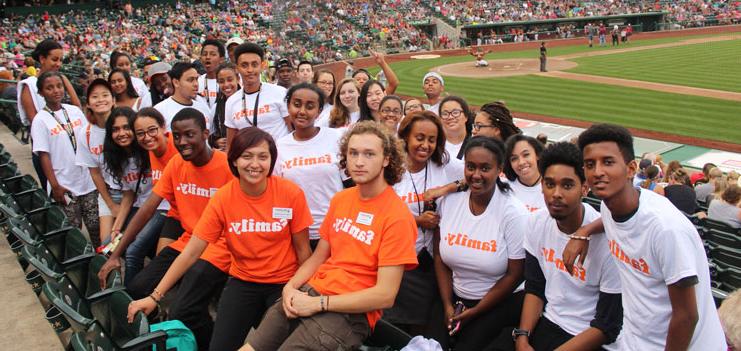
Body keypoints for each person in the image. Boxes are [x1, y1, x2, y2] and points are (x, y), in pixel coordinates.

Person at [128, 127, 313, 350]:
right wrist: (155, 296)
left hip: (283, 284)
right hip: (243, 282)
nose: (255, 164)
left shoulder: (290, 194)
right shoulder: (223, 198)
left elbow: (304, 251)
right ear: (234, 160)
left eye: (263, 157)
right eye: (247, 156)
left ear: (272, 161)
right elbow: (192, 251)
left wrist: (303, 291)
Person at [240, 121, 418, 351]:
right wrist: (290, 287)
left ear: (386, 159)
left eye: (369, 154)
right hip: (310, 292)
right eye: (353, 153)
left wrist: (318, 304)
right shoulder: (341, 199)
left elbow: (385, 295)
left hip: (348, 313)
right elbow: (319, 257)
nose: (359, 161)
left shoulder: (397, 216)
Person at [571, 123, 727, 349]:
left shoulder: (666, 229)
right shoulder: (611, 205)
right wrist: (583, 233)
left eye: (608, 162)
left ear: (631, 169)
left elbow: (686, 316)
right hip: (637, 339)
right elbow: (614, 220)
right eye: (589, 164)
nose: (598, 172)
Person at [117, 108, 232, 349]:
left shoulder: (228, 167)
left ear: (205, 133)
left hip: (220, 248)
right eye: (177, 136)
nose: (182, 142)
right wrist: (116, 252)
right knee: (136, 287)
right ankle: (172, 335)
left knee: (182, 309)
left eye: (189, 134)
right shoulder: (176, 164)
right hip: (188, 241)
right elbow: (148, 208)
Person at [502, 141, 622, 351]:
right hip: (549, 323)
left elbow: (607, 326)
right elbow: (535, 287)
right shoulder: (536, 223)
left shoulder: (609, 243)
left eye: (567, 185)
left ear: (584, 188)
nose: (556, 193)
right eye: (549, 184)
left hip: (589, 337)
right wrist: (523, 337)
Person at [435, 136, 527, 350]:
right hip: (453, 296)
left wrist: (474, 312)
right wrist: (448, 305)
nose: (476, 175)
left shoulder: (513, 212)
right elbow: (439, 257)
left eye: (485, 168)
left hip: (499, 302)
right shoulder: (450, 201)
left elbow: (516, 274)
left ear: (499, 169)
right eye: (471, 167)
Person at [385, 111, 457, 337]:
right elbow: (378, 215)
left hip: (431, 264)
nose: (425, 145)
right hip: (397, 262)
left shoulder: (443, 165)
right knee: (396, 326)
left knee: (425, 327)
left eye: (432, 140)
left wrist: (443, 189)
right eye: (420, 138)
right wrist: (417, 220)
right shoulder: (390, 168)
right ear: (405, 137)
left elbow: (470, 176)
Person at [99, 107, 178, 286]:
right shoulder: (119, 158)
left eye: (126, 128)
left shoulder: (150, 150)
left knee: (134, 249)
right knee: (107, 245)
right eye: (116, 129)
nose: (122, 133)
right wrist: (116, 228)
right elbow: (129, 195)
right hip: (141, 208)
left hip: (162, 209)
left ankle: (131, 296)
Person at [31, 71, 99, 246]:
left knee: (97, 228)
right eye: (49, 88)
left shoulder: (74, 111)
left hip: (88, 182)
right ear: (41, 93)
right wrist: (55, 186)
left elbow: (88, 139)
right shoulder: (40, 120)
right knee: (73, 233)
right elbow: (43, 155)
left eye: (59, 86)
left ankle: (104, 265)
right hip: (64, 184)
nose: (56, 91)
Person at [275, 83, 346, 250]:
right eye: (297, 104)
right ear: (288, 106)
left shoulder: (336, 138)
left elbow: (350, 184)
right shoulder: (279, 146)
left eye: (310, 106)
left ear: (319, 111)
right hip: (297, 234)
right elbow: (278, 194)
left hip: (335, 230)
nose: (302, 111)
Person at [18, 39, 81, 191]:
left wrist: (64, 81)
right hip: (49, 150)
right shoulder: (29, 86)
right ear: (42, 59)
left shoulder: (62, 80)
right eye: (54, 59)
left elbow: (77, 107)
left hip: (72, 147)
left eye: (60, 60)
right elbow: (36, 122)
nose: (58, 64)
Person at [75, 79, 119, 245]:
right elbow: (95, 173)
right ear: (89, 104)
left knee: (130, 243)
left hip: (132, 192)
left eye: (105, 95)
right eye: (95, 96)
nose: (100, 99)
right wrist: (110, 203)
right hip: (108, 192)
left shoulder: (124, 125)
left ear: (113, 100)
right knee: (107, 243)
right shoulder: (85, 134)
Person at [224, 43, 289, 146]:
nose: (250, 70)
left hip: (280, 159)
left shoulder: (280, 93)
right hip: (250, 160)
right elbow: (231, 144)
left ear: (262, 66)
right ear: (236, 68)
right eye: (244, 65)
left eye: (254, 65)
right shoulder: (231, 102)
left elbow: (294, 131)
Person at [154, 62, 213, 131]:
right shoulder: (160, 110)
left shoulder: (203, 107)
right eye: (190, 80)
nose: (196, 84)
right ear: (176, 82)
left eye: (196, 79)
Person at [504, 135, 545, 213]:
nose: (521, 162)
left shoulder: (553, 188)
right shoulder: (503, 188)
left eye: (526, 155)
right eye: (514, 159)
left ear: (537, 155)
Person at [210, 63, 240, 151]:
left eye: (230, 80)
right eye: (221, 81)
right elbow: (211, 134)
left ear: (237, 79)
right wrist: (216, 142)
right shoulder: (216, 108)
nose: (226, 84)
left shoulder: (249, 102)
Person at [439, 95, 473, 160]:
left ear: (466, 116)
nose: (450, 117)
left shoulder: (477, 143)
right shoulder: (434, 143)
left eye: (455, 113)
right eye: (445, 114)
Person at [197, 39, 226, 110]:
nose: (208, 57)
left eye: (213, 54)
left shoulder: (229, 82)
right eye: (204, 54)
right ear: (200, 59)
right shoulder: (196, 82)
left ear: (221, 59)